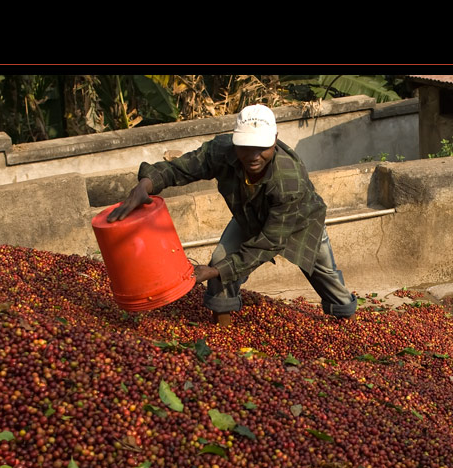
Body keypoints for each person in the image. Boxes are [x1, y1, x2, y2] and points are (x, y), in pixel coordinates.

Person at [107, 104, 357, 326]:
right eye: (245, 147)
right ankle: (222, 334)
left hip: (301, 223)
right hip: (249, 217)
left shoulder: (289, 183)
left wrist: (215, 272)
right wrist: (145, 185)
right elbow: (181, 168)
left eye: (262, 147)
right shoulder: (221, 151)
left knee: (325, 276)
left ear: (275, 140)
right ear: (236, 141)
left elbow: (269, 243)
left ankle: (347, 322)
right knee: (221, 262)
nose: (253, 155)